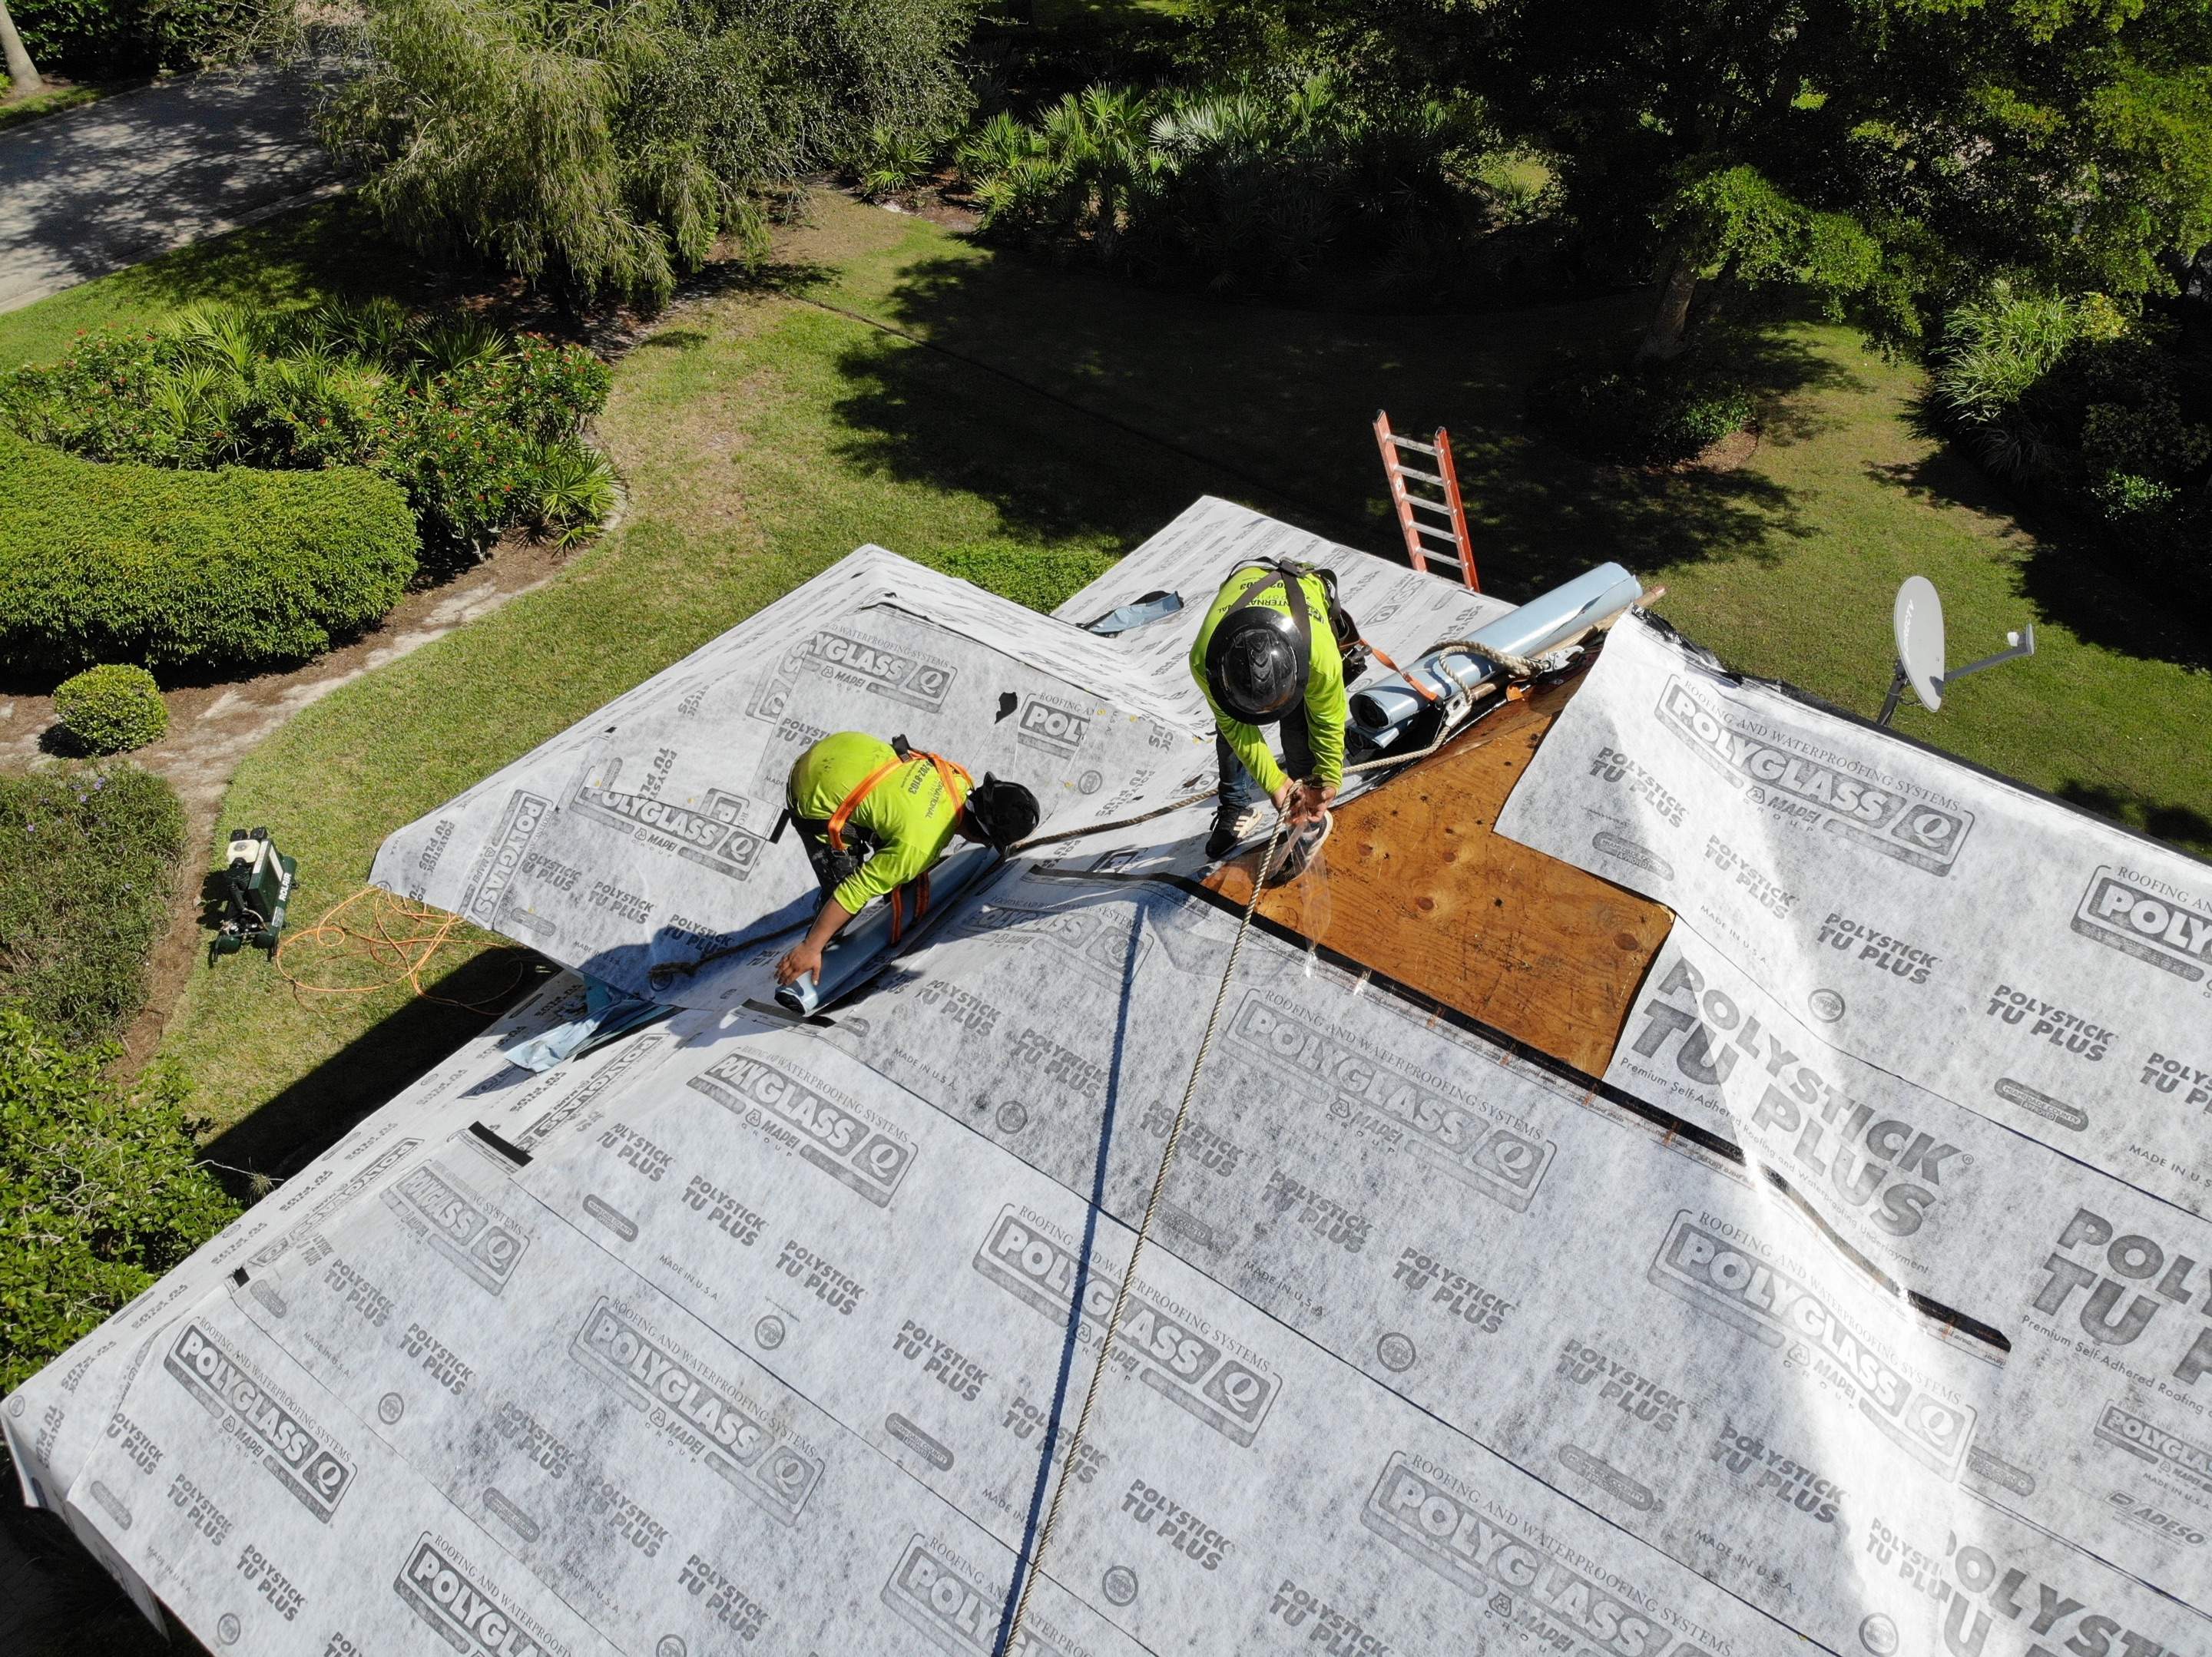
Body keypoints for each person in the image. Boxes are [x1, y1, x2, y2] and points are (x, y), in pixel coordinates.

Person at [773, 732, 1038, 987]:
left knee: (893, 824)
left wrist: (908, 867)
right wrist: (811, 947)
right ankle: (807, 959)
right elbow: (854, 891)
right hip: (813, 785)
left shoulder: (958, 777)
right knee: (841, 888)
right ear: (985, 836)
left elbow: (911, 811)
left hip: (843, 750)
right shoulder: (918, 848)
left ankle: (890, 869)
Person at [1188, 559, 1355, 859]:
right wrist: (1275, 784)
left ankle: (1305, 807)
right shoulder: (1205, 660)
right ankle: (1235, 806)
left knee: (1299, 726)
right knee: (1230, 731)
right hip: (1247, 583)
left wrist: (1328, 779)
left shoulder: (1320, 660)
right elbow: (1237, 730)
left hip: (1302, 596)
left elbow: (1328, 721)